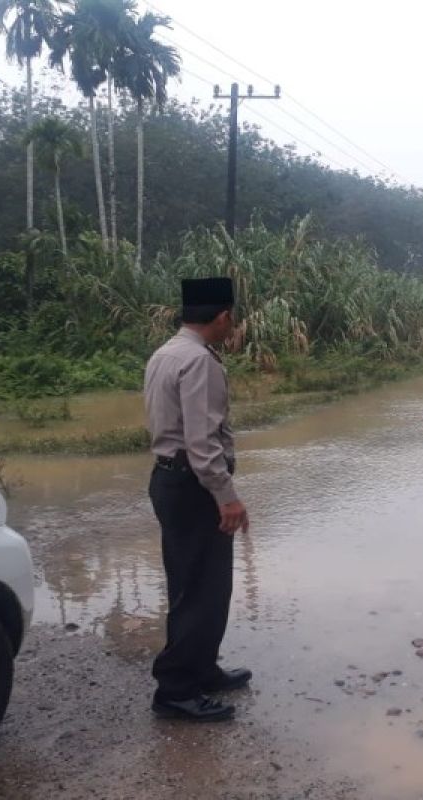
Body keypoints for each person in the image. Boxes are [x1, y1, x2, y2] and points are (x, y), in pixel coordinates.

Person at [143, 276, 251, 722]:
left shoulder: (166, 353)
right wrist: (227, 497)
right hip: (194, 486)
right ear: (222, 316)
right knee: (201, 590)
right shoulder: (200, 362)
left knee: (196, 583)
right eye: (233, 318)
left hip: (171, 480)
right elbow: (202, 443)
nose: (233, 326)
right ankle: (176, 689)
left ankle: (202, 668)